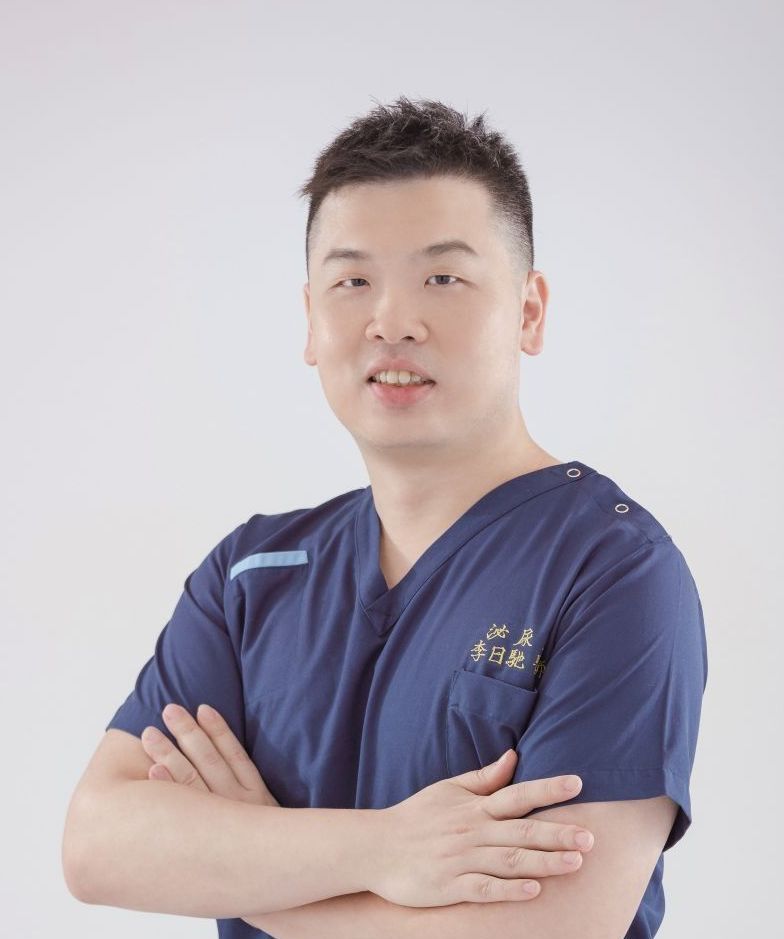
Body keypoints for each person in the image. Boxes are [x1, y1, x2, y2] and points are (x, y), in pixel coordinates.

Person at [69, 96, 708, 939]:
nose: (393, 322)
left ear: (528, 311)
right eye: (353, 281)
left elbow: (551, 928)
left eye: (443, 278)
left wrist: (244, 870)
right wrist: (387, 848)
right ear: (310, 320)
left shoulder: (612, 571)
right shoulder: (250, 577)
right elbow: (97, 843)